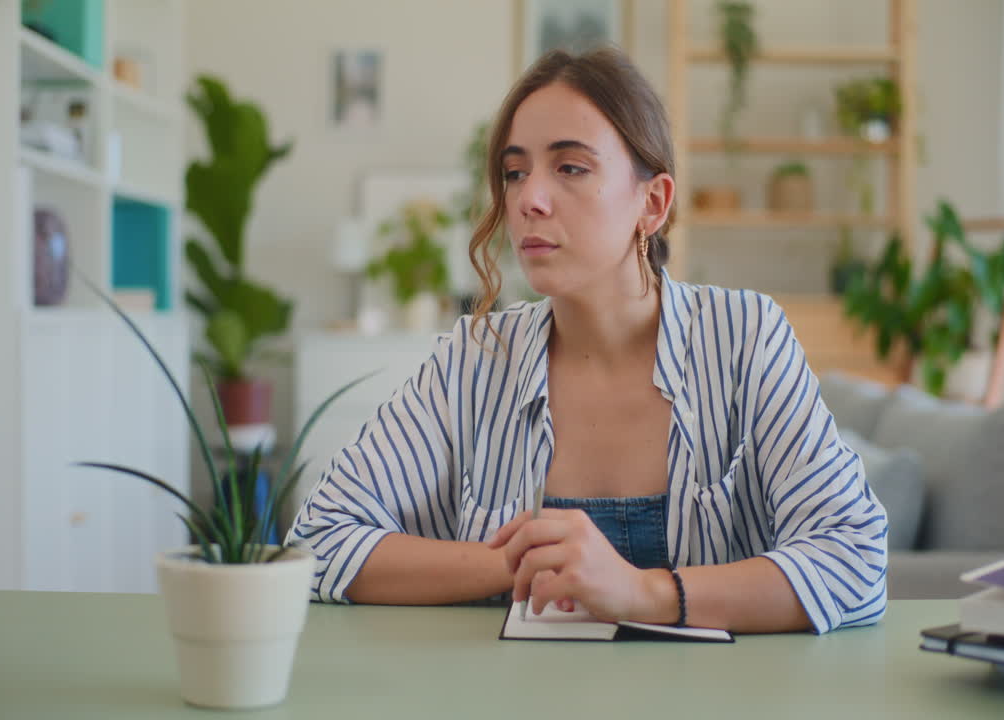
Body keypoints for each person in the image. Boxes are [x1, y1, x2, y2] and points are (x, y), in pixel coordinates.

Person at [287, 47, 887, 635]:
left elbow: (855, 562)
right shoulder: (472, 359)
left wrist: (642, 591)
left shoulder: (744, 339)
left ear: (652, 203)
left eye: (570, 167)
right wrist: (516, 561)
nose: (529, 199)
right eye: (515, 171)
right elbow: (317, 538)